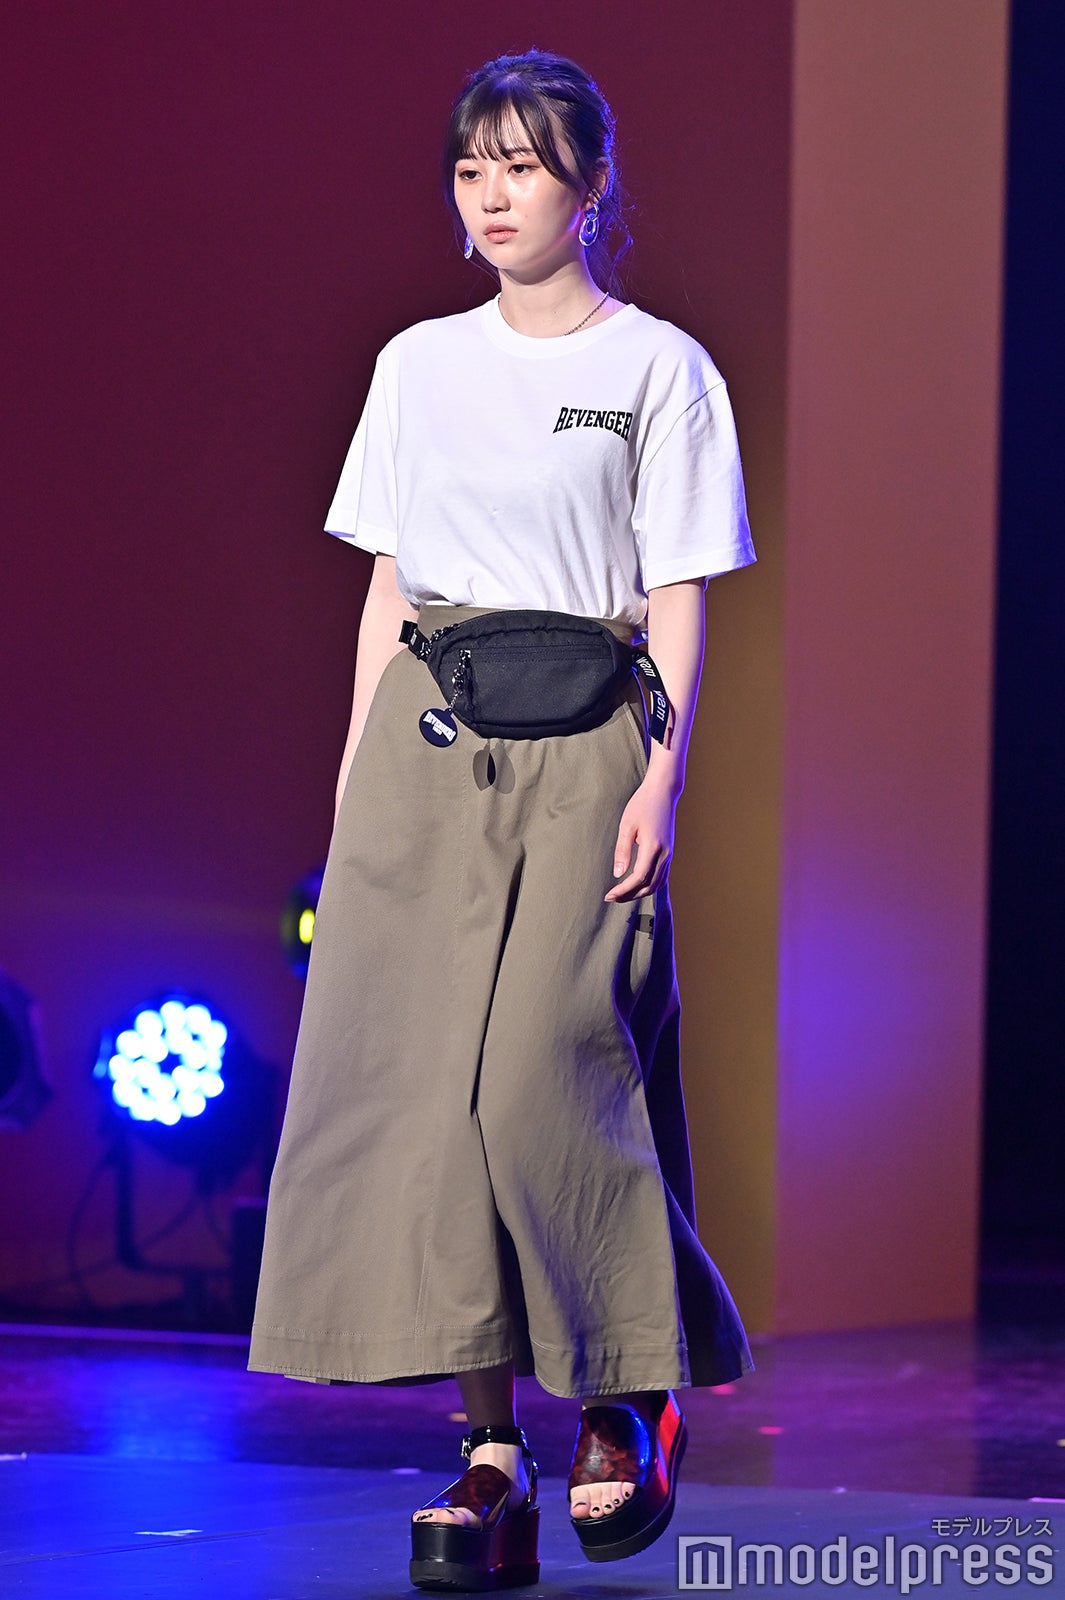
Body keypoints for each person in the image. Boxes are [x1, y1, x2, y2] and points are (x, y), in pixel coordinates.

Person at [248, 47, 756, 1591]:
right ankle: (487, 1452)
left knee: (547, 1073)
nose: (492, 194)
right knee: (424, 1106)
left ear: (587, 186)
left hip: (590, 737)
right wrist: (355, 779)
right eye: (472, 167)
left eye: (523, 165)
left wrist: (664, 775)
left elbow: (677, 590)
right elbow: (387, 586)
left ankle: (627, 1397)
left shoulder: (658, 367)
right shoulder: (417, 363)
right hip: (428, 742)